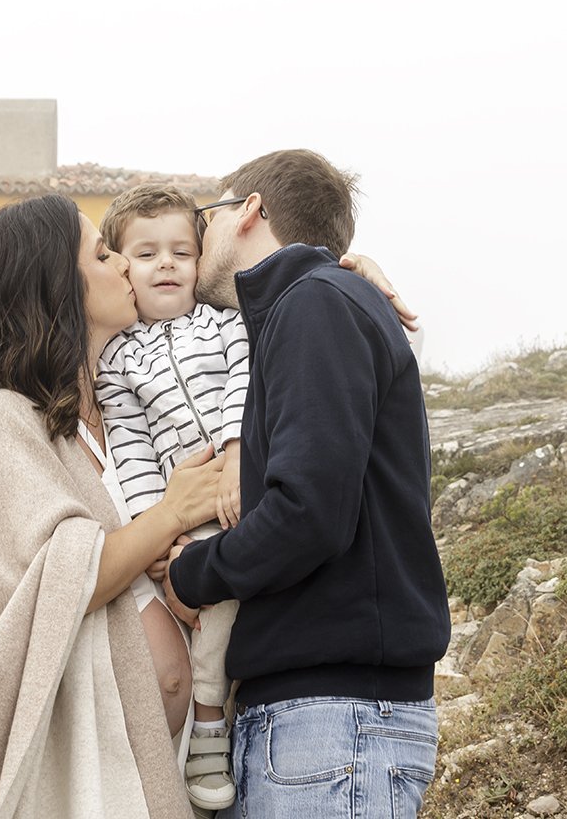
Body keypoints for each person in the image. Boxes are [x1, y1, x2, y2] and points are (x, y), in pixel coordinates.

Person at [0, 193, 223, 819]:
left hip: (183, 755)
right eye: (102, 253)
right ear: (58, 285)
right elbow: (63, 579)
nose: (122, 266)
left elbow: (248, 297)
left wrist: (342, 274)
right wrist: (170, 514)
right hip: (81, 778)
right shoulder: (5, 419)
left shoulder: (128, 408)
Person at [165, 150, 451, 818]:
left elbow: (310, 512)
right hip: (323, 723)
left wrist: (191, 574)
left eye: (207, 216)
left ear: (249, 212)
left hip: (332, 722)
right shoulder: (312, 305)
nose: (197, 237)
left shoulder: (315, 306)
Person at [95, 183, 252, 814]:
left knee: (236, 586)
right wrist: (152, 537)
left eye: (182, 252)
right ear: (122, 267)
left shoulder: (227, 324)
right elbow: (130, 451)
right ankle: (205, 716)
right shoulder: (118, 361)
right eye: (147, 253)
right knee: (206, 599)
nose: (167, 264)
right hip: (182, 513)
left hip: (243, 489)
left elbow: (247, 382)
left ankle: (212, 714)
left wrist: (237, 451)